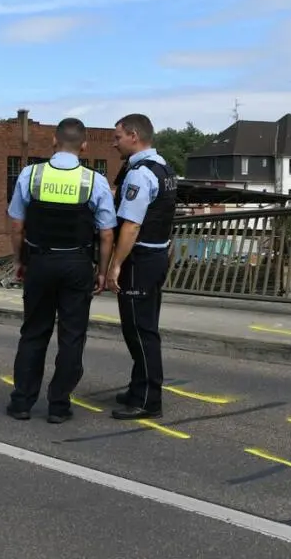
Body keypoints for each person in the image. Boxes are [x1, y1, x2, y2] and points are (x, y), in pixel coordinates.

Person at [6, 117, 117, 424]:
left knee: (33, 332)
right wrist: (103, 271)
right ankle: (58, 405)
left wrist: (19, 261)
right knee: (71, 336)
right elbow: (106, 232)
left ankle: (22, 403)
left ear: (53, 141)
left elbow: (17, 224)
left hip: (39, 262)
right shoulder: (94, 181)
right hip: (77, 264)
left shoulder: (30, 175)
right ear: (84, 146)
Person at [107, 114, 178, 420]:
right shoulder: (163, 167)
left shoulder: (139, 174)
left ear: (133, 136)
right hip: (157, 255)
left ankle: (149, 399)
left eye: (117, 137)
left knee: (139, 330)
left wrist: (115, 264)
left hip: (141, 259)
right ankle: (139, 387)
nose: (114, 143)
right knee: (141, 326)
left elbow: (131, 226)